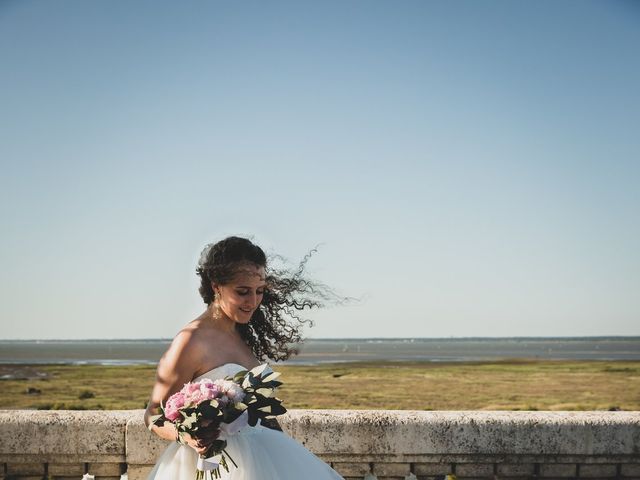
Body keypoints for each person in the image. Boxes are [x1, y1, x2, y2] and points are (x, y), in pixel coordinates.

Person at [145, 236, 344, 479]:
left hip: (263, 458)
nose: (253, 301)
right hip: (213, 467)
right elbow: (154, 413)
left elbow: (259, 415)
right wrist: (186, 435)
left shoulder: (243, 335)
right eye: (242, 292)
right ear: (216, 285)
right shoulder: (191, 340)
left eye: (259, 292)